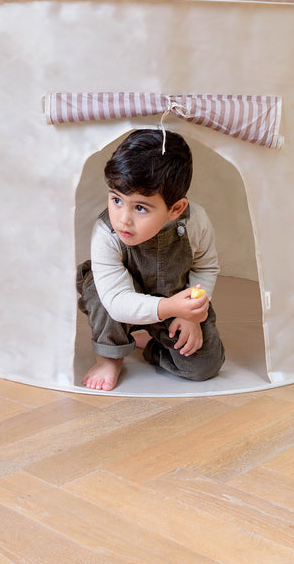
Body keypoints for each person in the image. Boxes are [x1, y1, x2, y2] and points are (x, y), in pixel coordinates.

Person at [77, 128, 225, 390]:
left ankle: (153, 345)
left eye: (140, 207)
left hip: (173, 298)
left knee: (205, 364)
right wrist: (170, 307)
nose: (123, 219)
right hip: (118, 299)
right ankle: (110, 357)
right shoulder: (106, 233)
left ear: (175, 209)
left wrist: (191, 313)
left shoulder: (195, 222)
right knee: (99, 291)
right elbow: (116, 301)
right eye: (116, 200)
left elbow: (205, 266)